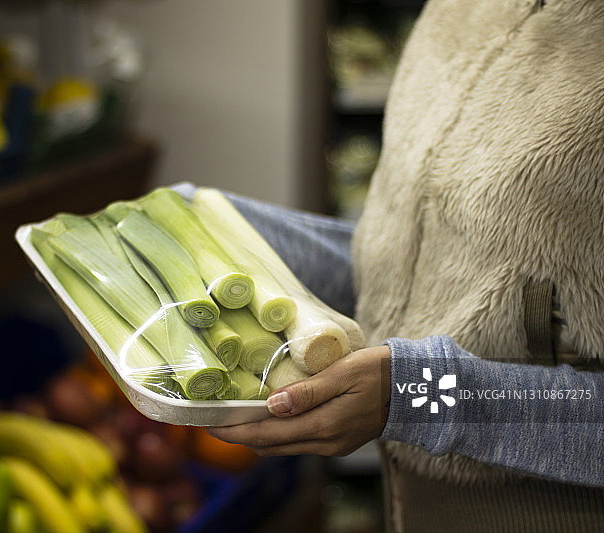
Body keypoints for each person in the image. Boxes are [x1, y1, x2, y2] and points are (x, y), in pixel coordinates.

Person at [200, 1, 604, 531]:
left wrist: (420, 392)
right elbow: (427, 257)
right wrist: (225, 226)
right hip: (411, 501)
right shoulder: (457, 9)